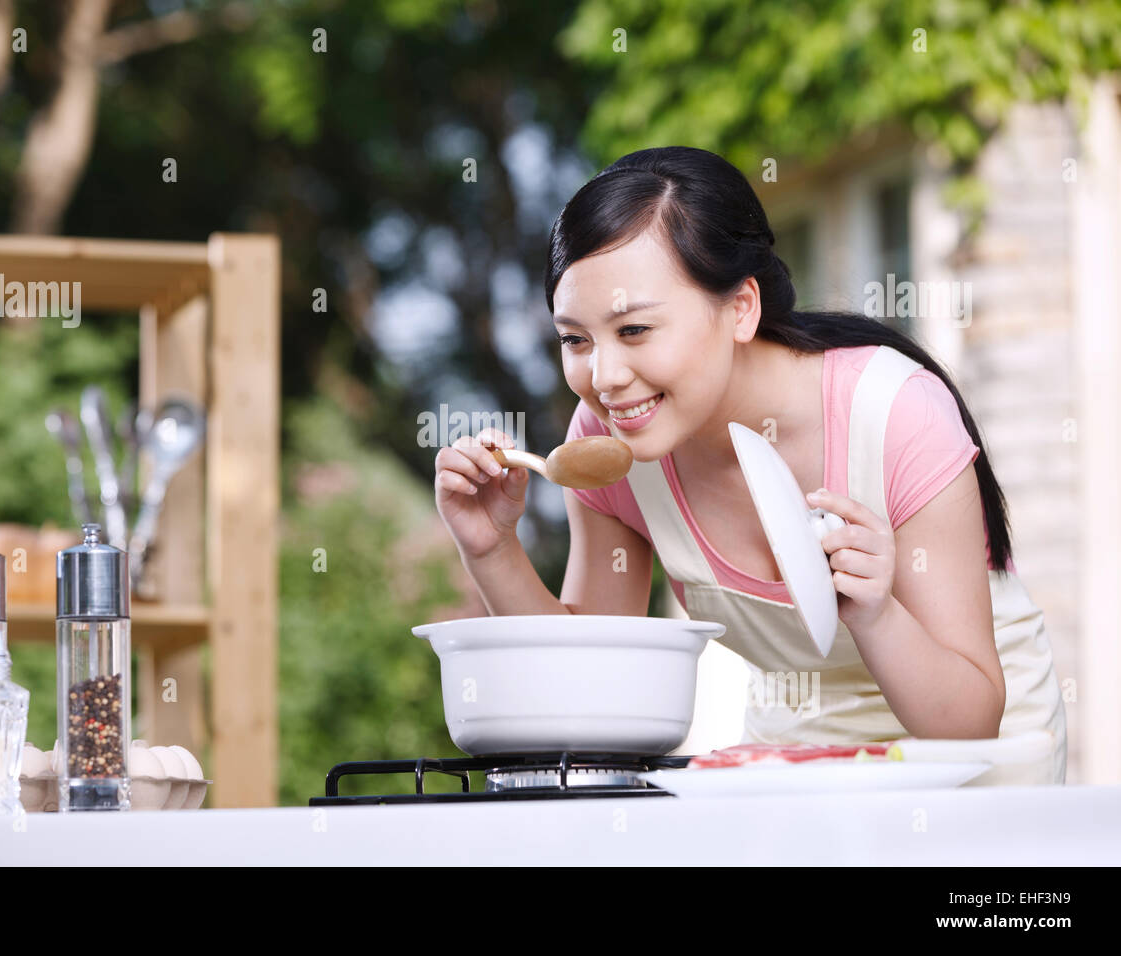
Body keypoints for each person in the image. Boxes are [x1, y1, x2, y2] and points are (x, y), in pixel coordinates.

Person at [433, 146, 1067, 784]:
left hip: (975, 746)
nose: (604, 378)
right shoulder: (608, 446)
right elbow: (591, 678)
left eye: (633, 331)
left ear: (740, 308)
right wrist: (491, 550)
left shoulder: (896, 412)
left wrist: (876, 612)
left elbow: (970, 721)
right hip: (797, 748)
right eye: (575, 339)